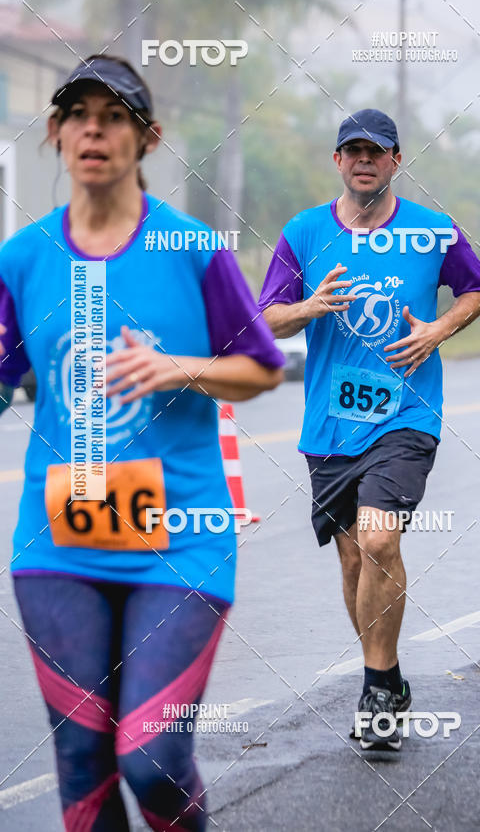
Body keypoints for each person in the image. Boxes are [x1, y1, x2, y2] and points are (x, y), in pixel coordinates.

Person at [0, 54, 284, 830]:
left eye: (115, 115)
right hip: (58, 544)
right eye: (79, 114)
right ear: (56, 133)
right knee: (84, 770)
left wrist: (178, 368)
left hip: (182, 538)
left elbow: (261, 369)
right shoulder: (22, 257)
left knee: (150, 759)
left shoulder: (190, 248)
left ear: (147, 137)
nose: (95, 128)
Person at [258, 108, 480, 751]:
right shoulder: (304, 232)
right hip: (332, 424)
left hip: (407, 414)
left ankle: (377, 687)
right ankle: (384, 674)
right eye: (352, 151)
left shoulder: (432, 229)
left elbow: (479, 287)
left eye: (377, 151)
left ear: (394, 161)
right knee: (353, 554)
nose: (364, 160)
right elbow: (264, 319)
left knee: (379, 539)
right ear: (337, 161)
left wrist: (439, 329)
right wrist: (309, 306)